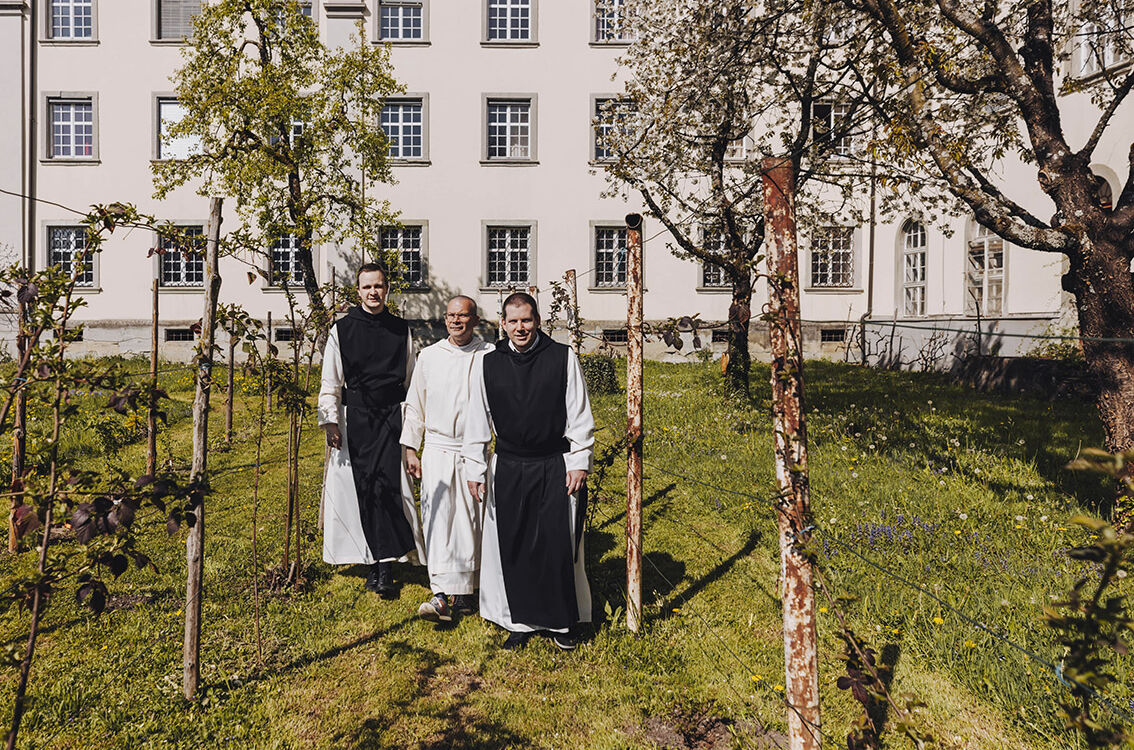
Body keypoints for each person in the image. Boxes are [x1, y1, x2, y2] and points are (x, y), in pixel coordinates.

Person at [462, 292, 594, 650]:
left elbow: (579, 415)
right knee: (513, 541)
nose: (520, 328)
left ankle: (561, 623)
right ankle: (516, 620)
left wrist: (579, 460)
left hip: (553, 462)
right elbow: (477, 421)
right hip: (508, 464)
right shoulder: (488, 364)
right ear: (502, 324)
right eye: (513, 321)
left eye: (527, 320)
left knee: (555, 542)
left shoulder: (562, 358)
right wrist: (475, 467)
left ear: (537, 321)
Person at [318, 263, 425, 597]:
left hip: (392, 416)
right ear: (358, 291)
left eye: (378, 286)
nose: (373, 293)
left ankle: (387, 565)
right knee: (362, 489)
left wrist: (411, 424)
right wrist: (331, 419)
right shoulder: (342, 329)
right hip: (356, 419)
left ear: (387, 289)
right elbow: (331, 379)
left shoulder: (400, 329)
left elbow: (411, 380)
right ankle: (373, 562)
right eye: (367, 287)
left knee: (391, 489)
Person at [400, 295, 494, 622]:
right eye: (451, 315)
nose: (456, 321)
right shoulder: (429, 356)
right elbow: (415, 405)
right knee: (438, 519)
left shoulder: (489, 356)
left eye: (463, 316)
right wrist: (411, 447)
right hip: (438, 449)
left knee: (471, 521)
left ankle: (467, 591)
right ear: (444, 319)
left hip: (474, 450)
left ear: (475, 320)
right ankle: (440, 594)